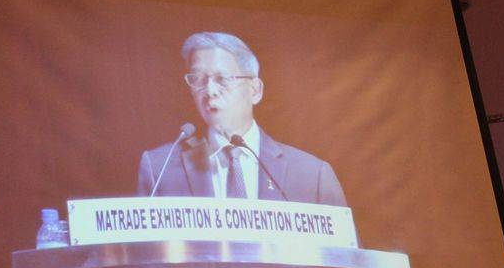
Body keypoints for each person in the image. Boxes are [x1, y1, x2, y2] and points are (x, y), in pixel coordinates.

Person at [137, 31, 347, 206]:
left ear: (255, 90)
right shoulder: (159, 168)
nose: (209, 91)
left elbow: (344, 245)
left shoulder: (312, 175)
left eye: (222, 79)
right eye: (198, 79)